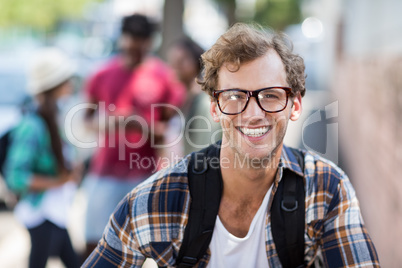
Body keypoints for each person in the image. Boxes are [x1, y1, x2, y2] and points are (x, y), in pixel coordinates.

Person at [82, 23, 380, 267]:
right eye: (235, 96)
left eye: (271, 95)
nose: (253, 114)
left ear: (295, 105)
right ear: (215, 108)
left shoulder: (325, 189)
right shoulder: (160, 199)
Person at [82, 13, 186, 258]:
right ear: (122, 39)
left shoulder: (164, 78)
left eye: (140, 43)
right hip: (104, 171)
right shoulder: (101, 74)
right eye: (129, 42)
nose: (133, 49)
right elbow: (86, 121)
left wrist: (141, 126)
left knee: (145, 249)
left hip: (145, 173)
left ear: (150, 42)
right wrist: (113, 122)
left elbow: (170, 134)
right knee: (93, 241)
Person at [4, 48, 81, 268]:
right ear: (54, 85)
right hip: (41, 213)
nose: (71, 84)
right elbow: (16, 177)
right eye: (66, 79)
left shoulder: (54, 117)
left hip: (54, 211)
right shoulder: (32, 125)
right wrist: (59, 181)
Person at [167, 37, 221, 155]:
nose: (174, 67)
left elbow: (205, 146)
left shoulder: (205, 102)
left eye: (180, 61)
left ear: (196, 62)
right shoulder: (187, 98)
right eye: (172, 62)